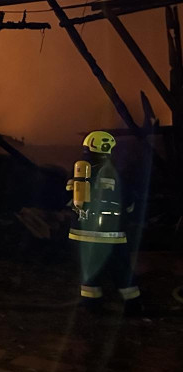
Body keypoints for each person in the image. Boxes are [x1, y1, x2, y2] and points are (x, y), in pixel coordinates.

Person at [66, 130, 141, 315]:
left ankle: (92, 306)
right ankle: (133, 306)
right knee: (121, 269)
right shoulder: (115, 171)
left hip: (83, 232)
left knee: (90, 270)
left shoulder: (79, 170)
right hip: (111, 232)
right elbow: (129, 200)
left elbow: (68, 195)